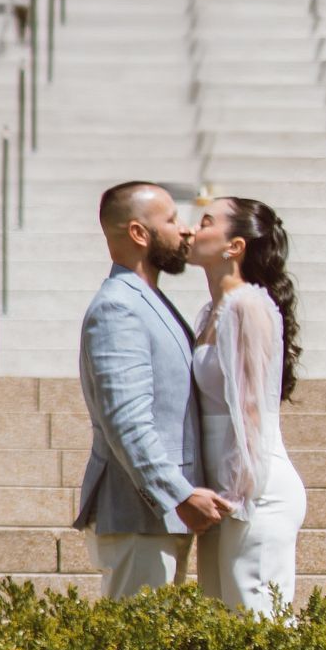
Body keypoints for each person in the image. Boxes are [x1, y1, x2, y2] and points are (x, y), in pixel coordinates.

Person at [76, 181, 231, 601]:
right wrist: (178, 494)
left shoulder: (147, 299)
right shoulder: (118, 307)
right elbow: (127, 421)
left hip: (158, 518)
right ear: (139, 234)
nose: (185, 230)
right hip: (138, 516)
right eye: (171, 219)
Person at [186, 195, 308, 617]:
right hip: (225, 492)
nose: (190, 230)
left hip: (255, 492)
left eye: (204, 222)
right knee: (223, 630)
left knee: (259, 627)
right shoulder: (210, 313)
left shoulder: (248, 306)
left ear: (234, 246)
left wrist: (238, 494)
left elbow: (252, 409)